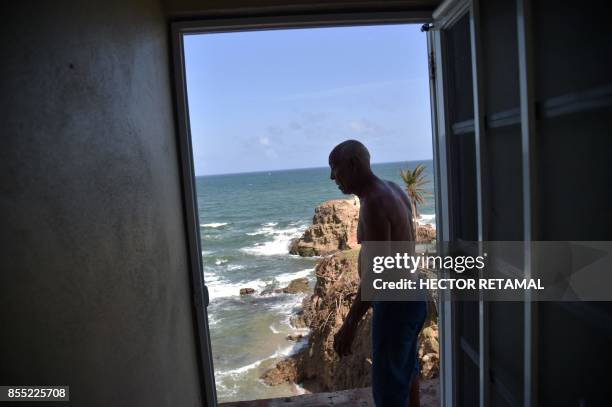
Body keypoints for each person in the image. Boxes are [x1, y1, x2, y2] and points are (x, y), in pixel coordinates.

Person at [329, 140, 427, 407]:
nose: (331, 177)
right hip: (414, 295)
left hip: (396, 306)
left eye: (334, 168)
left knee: (388, 394)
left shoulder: (373, 203)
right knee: (407, 374)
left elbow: (376, 276)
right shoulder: (394, 189)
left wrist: (349, 326)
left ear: (352, 165)